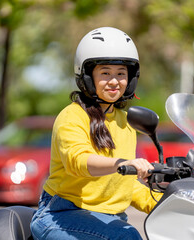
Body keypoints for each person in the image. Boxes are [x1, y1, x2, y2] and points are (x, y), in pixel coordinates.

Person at [30, 27, 162, 240]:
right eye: (105, 73)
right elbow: (78, 162)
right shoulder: (72, 116)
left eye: (121, 73)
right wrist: (121, 163)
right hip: (61, 214)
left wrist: (168, 202)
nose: (114, 81)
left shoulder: (126, 123)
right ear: (88, 76)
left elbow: (125, 186)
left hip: (107, 221)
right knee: (126, 237)